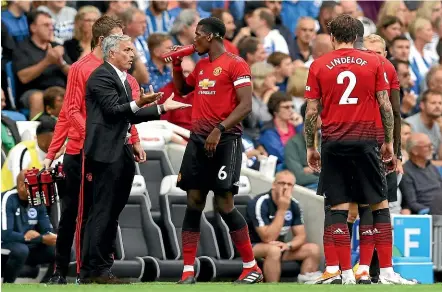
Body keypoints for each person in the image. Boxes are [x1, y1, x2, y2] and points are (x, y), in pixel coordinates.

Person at [304, 14, 405, 285]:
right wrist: (388, 142)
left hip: (333, 143)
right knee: (379, 204)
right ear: (358, 36)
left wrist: (310, 147)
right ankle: (385, 271)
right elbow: (386, 105)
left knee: (337, 208)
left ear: (333, 37)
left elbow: (312, 111)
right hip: (366, 141)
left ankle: (344, 273)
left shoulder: (318, 64)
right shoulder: (375, 62)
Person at [80, 34, 189, 284]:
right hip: (105, 154)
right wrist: (138, 102)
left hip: (122, 151)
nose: (133, 54)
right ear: (111, 54)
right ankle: (93, 271)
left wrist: (162, 109)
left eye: (132, 50)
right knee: (102, 211)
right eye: (127, 50)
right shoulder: (100, 76)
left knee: (112, 212)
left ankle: (102, 268)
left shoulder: (124, 80)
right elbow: (113, 111)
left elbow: (129, 116)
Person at [171, 17, 263, 284]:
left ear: (210, 36)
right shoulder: (201, 65)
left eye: (197, 35)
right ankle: (188, 270)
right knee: (194, 202)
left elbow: (245, 105)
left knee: (224, 204)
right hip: (198, 140)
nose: (193, 40)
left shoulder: (236, 64)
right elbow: (182, 89)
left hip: (225, 141)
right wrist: (177, 64)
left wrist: (219, 129)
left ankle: (251, 267)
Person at [42, 16, 130, 284]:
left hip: (109, 151)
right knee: (74, 213)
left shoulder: (116, 69)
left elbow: (126, 109)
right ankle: (62, 270)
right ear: (103, 41)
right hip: (82, 152)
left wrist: (132, 137)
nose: (125, 45)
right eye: (118, 39)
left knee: (102, 211)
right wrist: (52, 152)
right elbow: (69, 111)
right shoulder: (81, 68)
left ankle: (92, 270)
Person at [247, 170, 322, 283]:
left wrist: (288, 245)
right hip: (252, 248)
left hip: (279, 248)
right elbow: (267, 238)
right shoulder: (260, 203)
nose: (285, 187)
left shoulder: (294, 204)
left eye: (289, 184)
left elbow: (301, 236)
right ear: (274, 185)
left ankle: (305, 287)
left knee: (313, 249)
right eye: (282, 183)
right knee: (274, 250)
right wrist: (282, 210)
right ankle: (272, 289)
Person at [1, 170, 57, 283]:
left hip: (29, 247)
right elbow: (6, 235)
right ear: (21, 186)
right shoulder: (8, 198)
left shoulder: (38, 200)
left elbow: (47, 230)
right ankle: (8, 285)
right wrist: (37, 238)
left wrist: (50, 237)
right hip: (7, 246)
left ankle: (47, 285)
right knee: (21, 250)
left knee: (62, 250)